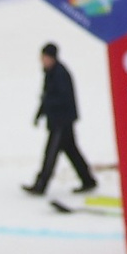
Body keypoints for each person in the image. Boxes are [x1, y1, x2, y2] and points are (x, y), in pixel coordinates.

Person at [26, 43, 97, 200]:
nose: (41, 60)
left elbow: (61, 98)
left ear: (51, 58)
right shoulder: (50, 72)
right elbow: (47, 96)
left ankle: (41, 185)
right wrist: (40, 114)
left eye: (44, 57)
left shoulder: (60, 73)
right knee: (71, 151)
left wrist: (48, 105)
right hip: (58, 120)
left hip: (61, 121)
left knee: (50, 153)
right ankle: (88, 180)